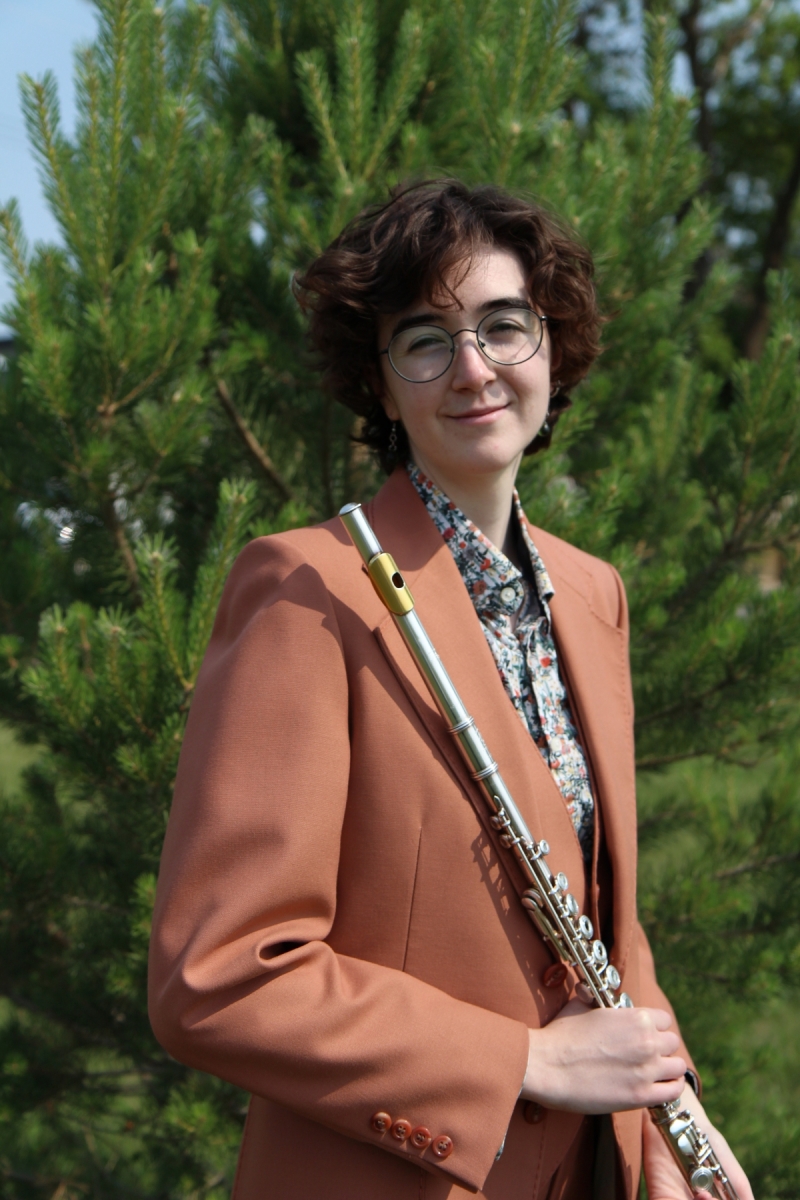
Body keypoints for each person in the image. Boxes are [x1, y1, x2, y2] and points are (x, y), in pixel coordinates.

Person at [148, 180, 753, 1200]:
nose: (472, 368)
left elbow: (604, 912)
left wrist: (668, 1112)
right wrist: (523, 1062)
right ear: (381, 388)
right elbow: (219, 973)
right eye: (425, 341)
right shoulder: (309, 589)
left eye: (503, 326)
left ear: (550, 348)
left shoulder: (592, 594)